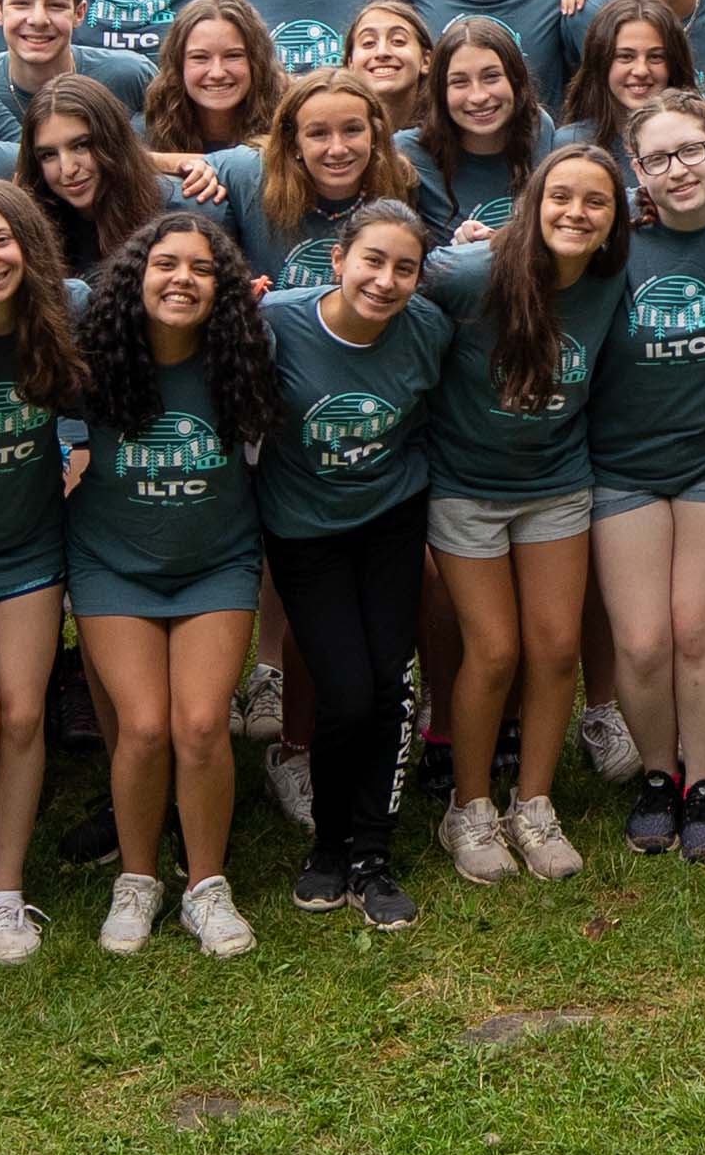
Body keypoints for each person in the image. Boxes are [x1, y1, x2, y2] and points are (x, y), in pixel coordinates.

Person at [66, 213, 287, 959]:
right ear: (137, 274)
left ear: (223, 288)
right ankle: (137, 878)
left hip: (215, 565)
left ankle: (206, 885)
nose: (182, 279)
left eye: (201, 268)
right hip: (112, 567)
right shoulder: (94, 357)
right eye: (166, 264)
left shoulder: (244, 355)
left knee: (199, 725)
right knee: (145, 727)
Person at [419, 143, 628, 884]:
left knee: (555, 649)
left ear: (613, 221)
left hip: (557, 485)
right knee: (496, 650)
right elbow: (393, 289)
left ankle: (533, 805)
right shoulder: (474, 274)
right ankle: (469, 808)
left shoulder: (608, 281)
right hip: (466, 488)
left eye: (596, 202)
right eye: (561, 197)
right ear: (533, 206)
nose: (576, 212)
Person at [580, 99, 705, 861]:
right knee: (643, 637)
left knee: (696, 627)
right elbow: (527, 244)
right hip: (622, 462)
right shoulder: (611, 232)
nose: (678, 170)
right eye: (657, 160)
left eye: (691, 151)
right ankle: (659, 774)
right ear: (637, 173)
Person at [261, 203, 453, 927]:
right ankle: (328, 844)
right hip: (304, 531)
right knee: (344, 692)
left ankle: (373, 852)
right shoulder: (277, 322)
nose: (386, 279)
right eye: (373, 260)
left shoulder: (426, 331)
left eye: (405, 267)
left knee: (388, 686)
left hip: (389, 524)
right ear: (338, 260)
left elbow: (437, 415)